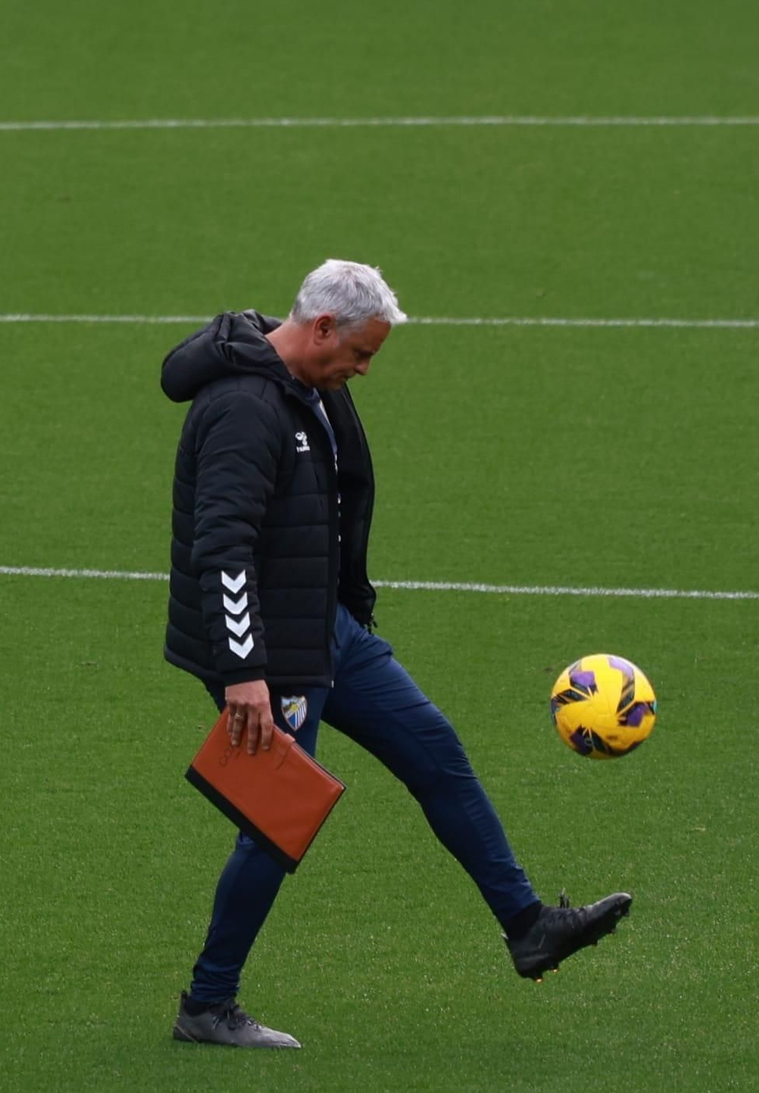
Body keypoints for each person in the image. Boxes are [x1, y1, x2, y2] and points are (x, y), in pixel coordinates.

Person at [159, 259, 632, 1049]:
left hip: (325, 625)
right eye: (360, 353)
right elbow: (224, 545)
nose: (364, 369)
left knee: (432, 746)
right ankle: (208, 1003)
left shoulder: (310, 387)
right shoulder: (245, 406)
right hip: (268, 651)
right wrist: (244, 673)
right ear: (319, 328)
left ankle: (528, 927)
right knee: (277, 820)